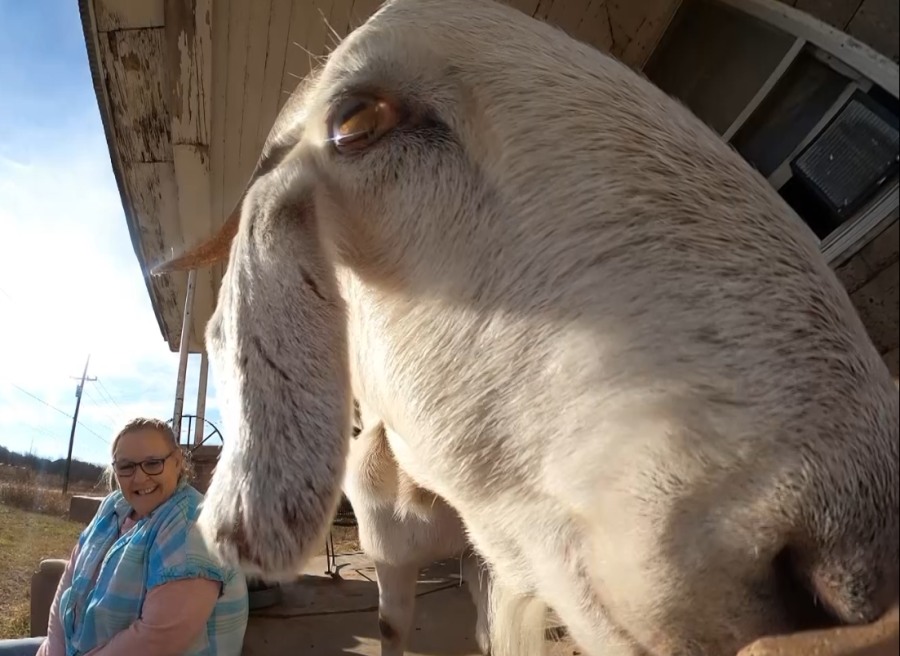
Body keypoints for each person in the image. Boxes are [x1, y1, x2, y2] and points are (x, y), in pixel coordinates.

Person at [0, 417, 248, 656]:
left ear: (177, 462)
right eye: (126, 466)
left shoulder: (194, 525)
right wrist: (53, 650)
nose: (139, 477)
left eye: (153, 463)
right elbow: (69, 582)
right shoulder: (114, 507)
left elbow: (156, 639)